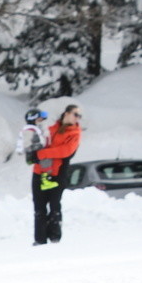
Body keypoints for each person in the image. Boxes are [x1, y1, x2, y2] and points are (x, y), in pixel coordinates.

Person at [31, 104, 82, 245]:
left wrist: (42, 154)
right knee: (39, 206)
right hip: (40, 171)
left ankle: (54, 237)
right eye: (75, 114)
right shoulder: (51, 128)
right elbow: (41, 143)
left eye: (79, 116)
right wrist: (34, 151)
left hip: (58, 172)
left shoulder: (75, 133)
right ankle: (40, 239)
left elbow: (66, 151)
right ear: (66, 113)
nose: (77, 118)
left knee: (54, 205)